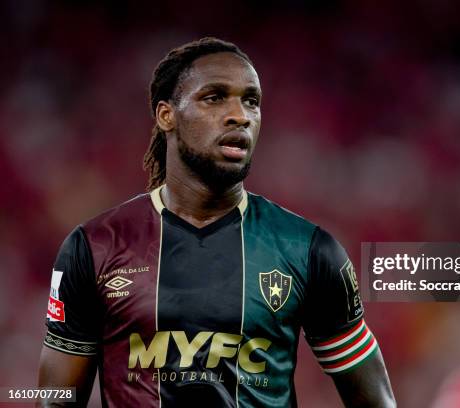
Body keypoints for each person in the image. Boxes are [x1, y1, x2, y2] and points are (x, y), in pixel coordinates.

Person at [37, 37, 396, 407]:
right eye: (214, 97)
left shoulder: (308, 250)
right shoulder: (94, 247)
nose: (240, 115)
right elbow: (54, 400)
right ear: (166, 115)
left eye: (251, 101)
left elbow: (376, 401)